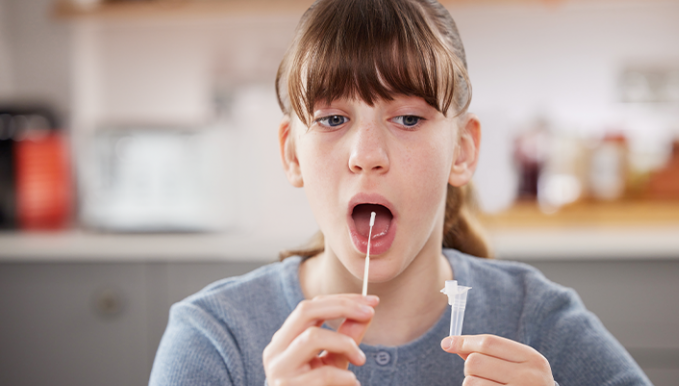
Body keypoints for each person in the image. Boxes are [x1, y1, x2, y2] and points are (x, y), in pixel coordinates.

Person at [149, 0, 652, 385]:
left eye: (408, 118)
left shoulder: (539, 321)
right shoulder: (214, 339)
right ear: (292, 154)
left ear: (462, 151)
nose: (367, 154)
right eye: (332, 119)